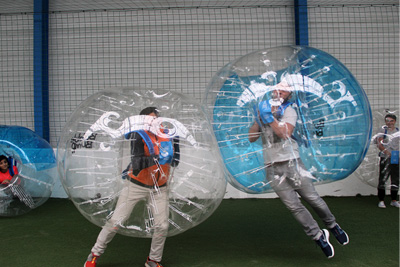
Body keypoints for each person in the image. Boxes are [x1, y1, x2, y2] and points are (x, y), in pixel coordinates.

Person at [248, 80, 349, 259]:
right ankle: (318, 236)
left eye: (285, 91)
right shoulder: (262, 109)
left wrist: (270, 119)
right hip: (271, 166)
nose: (280, 92)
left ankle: (332, 224)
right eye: (278, 89)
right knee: (293, 206)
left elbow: (284, 133)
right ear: (273, 91)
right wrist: (258, 119)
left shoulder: (289, 111)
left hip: (291, 162)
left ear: (288, 95)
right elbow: (251, 138)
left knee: (312, 198)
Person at [85, 107, 180, 267]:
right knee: (115, 221)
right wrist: (158, 158)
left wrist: (175, 146)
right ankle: (94, 254)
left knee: (162, 225)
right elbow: (137, 164)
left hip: (160, 188)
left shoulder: (167, 135)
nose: (153, 121)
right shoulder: (138, 135)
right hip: (136, 186)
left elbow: (176, 161)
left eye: (155, 118)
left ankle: (153, 260)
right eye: (149, 119)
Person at [376, 113, 399, 208]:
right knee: (383, 177)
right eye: (387, 121)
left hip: (395, 156)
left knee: (395, 178)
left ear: (395, 121)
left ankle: (394, 200)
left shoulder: (398, 131)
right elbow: (379, 144)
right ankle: (381, 200)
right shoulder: (383, 130)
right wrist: (386, 152)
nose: (389, 123)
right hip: (385, 156)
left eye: (391, 121)